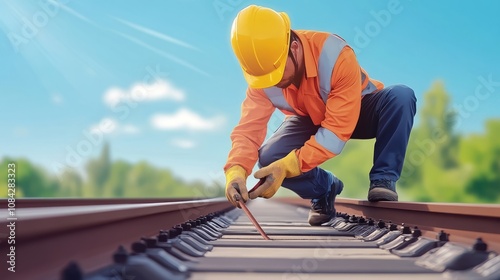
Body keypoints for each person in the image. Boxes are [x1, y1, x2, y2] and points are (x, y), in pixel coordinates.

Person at [223, 5, 417, 226]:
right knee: (270, 157)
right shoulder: (261, 76)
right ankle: (325, 188)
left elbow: (335, 133)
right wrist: (236, 170)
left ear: (294, 47)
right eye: (264, 78)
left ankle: (384, 178)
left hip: (359, 108)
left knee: (401, 97)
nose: (272, 82)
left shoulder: (334, 55)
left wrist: (288, 166)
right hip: (309, 116)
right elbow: (248, 130)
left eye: (275, 73)